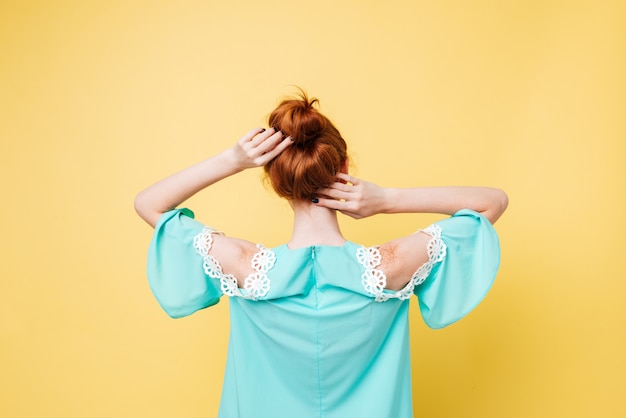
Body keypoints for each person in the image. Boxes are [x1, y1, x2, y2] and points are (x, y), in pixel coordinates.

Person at [135, 90, 508, 418]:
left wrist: (232, 160)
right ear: (343, 168)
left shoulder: (244, 268)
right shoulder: (390, 268)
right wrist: (387, 200)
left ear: (274, 179)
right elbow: (492, 203)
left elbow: (149, 204)